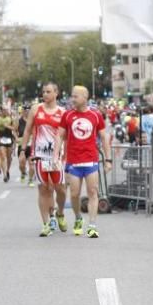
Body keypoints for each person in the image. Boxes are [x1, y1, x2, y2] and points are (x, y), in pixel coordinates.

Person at [56, 86, 110, 238]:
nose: (73, 99)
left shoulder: (95, 115)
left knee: (93, 192)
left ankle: (92, 225)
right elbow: (60, 136)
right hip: (73, 161)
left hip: (90, 160)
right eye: (72, 96)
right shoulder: (67, 115)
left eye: (75, 96)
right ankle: (78, 217)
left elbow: (104, 137)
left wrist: (108, 159)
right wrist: (56, 157)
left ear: (85, 97)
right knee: (74, 194)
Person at [22, 82, 68, 237]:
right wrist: (23, 150)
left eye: (48, 92)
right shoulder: (36, 109)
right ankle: (46, 223)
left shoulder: (62, 112)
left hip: (57, 156)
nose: (45, 94)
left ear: (56, 93)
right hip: (40, 155)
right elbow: (28, 130)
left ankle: (59, 213)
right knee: (44, 188)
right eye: (43, 92)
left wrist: (67, 156)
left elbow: (66, 137)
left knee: (60, 189)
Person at [0, 107, 16, 182]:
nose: (5, 111)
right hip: (1, 139)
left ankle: (7, 170)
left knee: (9, 157)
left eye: (6, 110)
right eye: (4, 110)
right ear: (1, 111)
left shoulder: (11, 118)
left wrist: (7, 126)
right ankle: (4, 175)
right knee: (3, 157)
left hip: (9, 139)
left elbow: (15, 128)